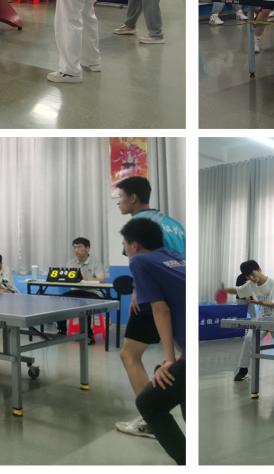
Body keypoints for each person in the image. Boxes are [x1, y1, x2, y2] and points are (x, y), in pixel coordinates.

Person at [114, 175, 186, 439]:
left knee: (129, 355)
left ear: (133, 197)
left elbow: (141, 260)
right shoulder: (174, 224)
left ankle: (151, 417)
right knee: (180, 362)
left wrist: (137, 291)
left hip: (155, 299)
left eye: (120, 197)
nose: (118, 203)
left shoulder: (137, 224)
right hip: (179, 297)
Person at [123, 218, 186, 465]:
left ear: (135, 245)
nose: (125, 250)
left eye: (125, 244)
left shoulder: (139, 261)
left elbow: (161, 310)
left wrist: (169, 360)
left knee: (148, 404)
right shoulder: (176, 257)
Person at [223, 259, 274, 381]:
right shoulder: (250, 284)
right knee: (249, 339)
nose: (251, 278)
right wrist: (225, 290)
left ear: (259, 269)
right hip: (263, 318)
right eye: (248, 276)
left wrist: (257, 302)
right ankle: (243, 369)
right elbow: (238, 290)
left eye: (253, 274)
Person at [56, 237, 107, 344]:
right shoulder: (71, 262)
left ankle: (88, 335)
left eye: (79, 247)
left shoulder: (96, 262)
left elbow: (101, 279)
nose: (76, 250)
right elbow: (67, 278)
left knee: (84, 303)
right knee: (59, 301)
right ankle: (62, 331)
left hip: (92, 292)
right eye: (74, 247)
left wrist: (85, 278)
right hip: (75, 291)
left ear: (87, 248)